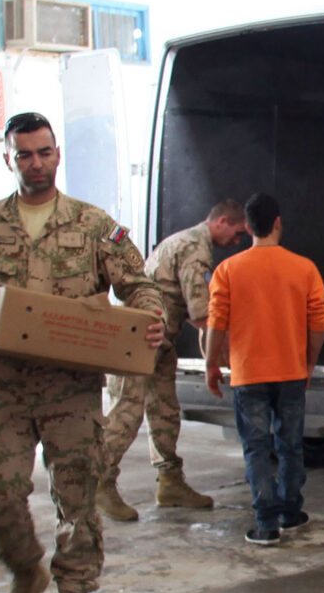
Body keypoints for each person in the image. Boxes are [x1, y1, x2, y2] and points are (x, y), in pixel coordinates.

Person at [0, 112, 165, 593]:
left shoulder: (92, 225)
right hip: (4, 387)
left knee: (78, 502)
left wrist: (149, 317)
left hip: (71, 389)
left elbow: (139, 285)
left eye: (44, 152)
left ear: (57, 154)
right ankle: (25, 568)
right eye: (23, 154)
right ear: (8, 158)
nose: (35, 163)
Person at [99, 198, 248, 520]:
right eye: (236, 233)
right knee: (125, 415)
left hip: (160, 342)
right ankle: (98, 483)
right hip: (138, 341)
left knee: (164, 410)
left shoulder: (185, 241)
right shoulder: (195, 248)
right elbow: (203, 316)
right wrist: (221, 362)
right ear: (221, 221)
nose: (236, 242)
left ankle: (170, 482)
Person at [203, 193, 324, 547]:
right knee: (290, 447)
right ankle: (291, 513)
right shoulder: (304, 267)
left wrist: (212, 364)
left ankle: (266, 525)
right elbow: (318, 319)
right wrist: (309, 361)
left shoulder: (228, 270)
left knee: (256, 449)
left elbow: (217, 322)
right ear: (277, 223)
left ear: (247, 226)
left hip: (248, 376)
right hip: (291, 373)